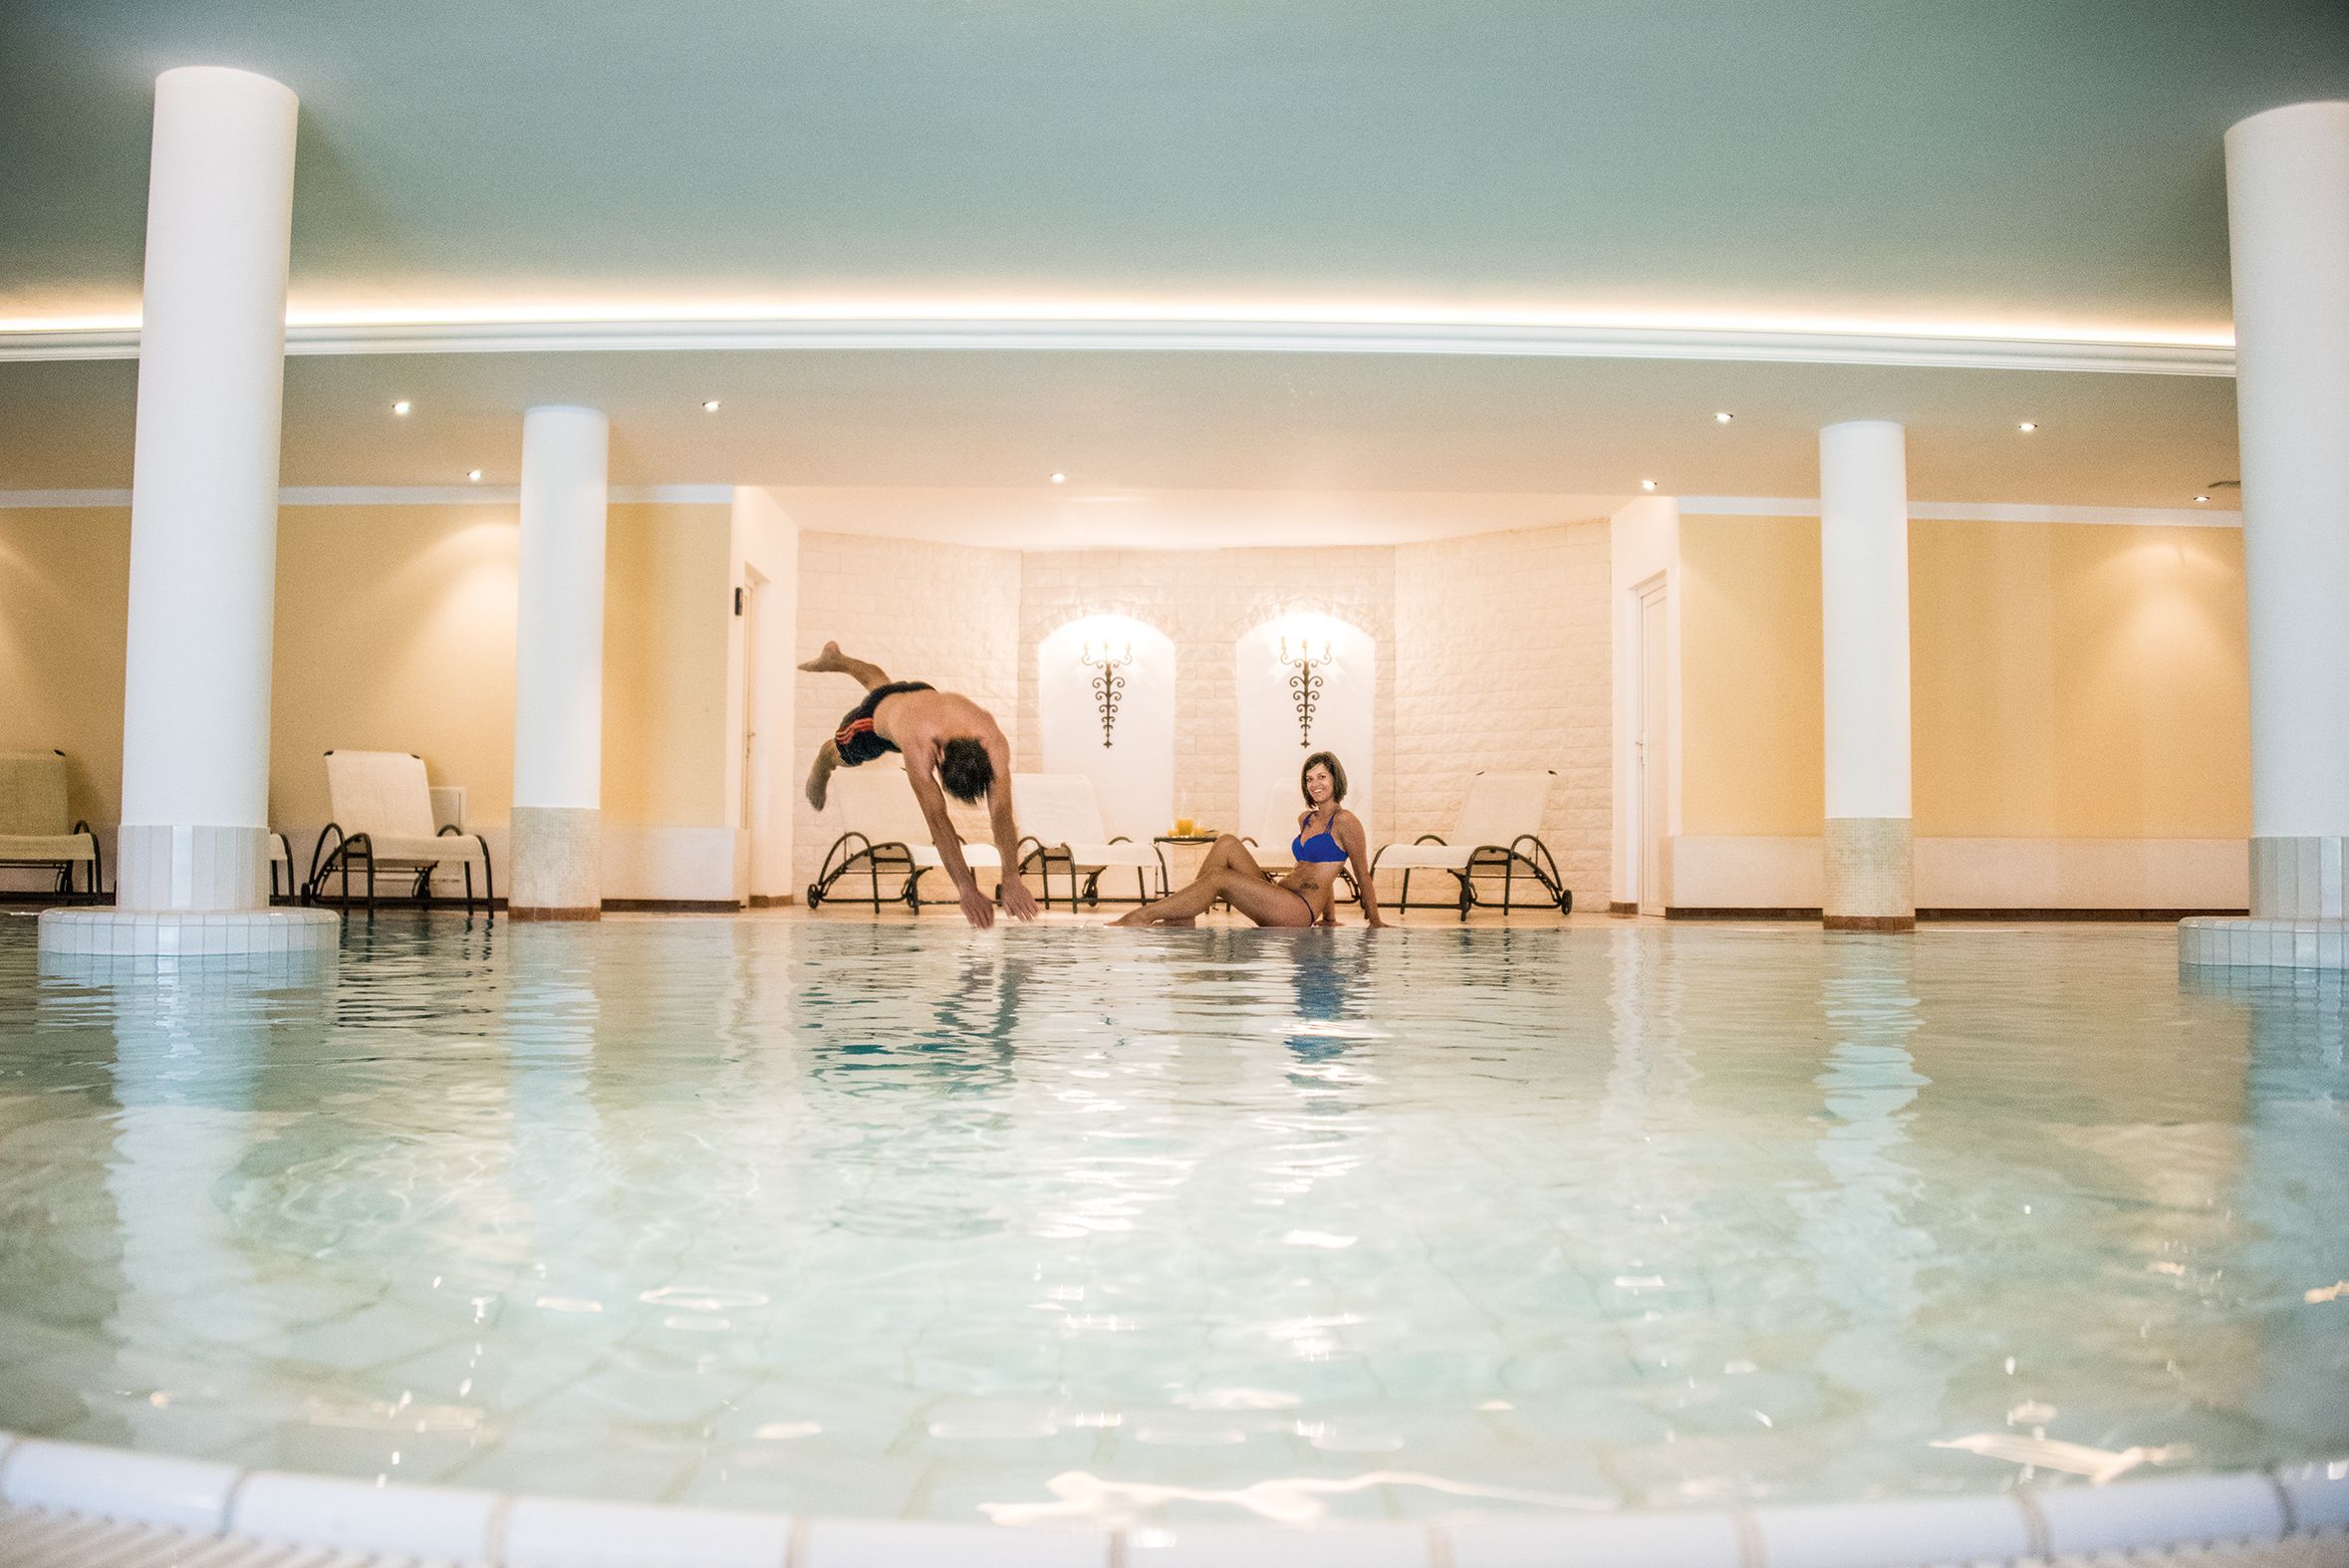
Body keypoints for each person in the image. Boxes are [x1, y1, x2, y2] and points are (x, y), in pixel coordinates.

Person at [800, 641, 1040, 929]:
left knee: (879, 683)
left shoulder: (992, 739)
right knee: (842, 750)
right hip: (879, 718)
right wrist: (966, 888)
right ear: (938, 756)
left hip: (918, 697)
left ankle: (836, 658)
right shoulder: (919, 744)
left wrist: (1012, 877)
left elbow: (1001, 812)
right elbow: (938, 820)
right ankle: (821, 763)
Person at [1112, 751, 1387, 929]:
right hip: (1280, 894)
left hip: (1296, 912)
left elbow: (1359, 875)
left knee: (1220, 877)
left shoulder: (1346, 821)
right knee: (1227, 842)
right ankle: (1184, 917)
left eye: (1322, 777)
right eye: (1309, 778)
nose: (1315, 784)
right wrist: (1329, 918)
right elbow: (1313, 867)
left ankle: (1143, 916)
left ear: (1335, 779)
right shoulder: (1306, 818)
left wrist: (1375, 922)